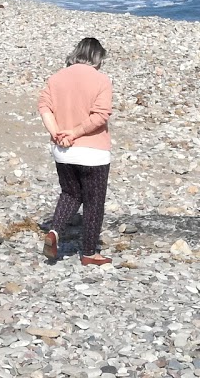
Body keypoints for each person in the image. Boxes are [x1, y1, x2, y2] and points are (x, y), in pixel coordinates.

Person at [37, 36, 114, 265]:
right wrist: (75, 132)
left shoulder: (56, 78)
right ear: (97, 58)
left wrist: (57, 132)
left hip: (63, 149)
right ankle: (89, 252)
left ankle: (55, 232)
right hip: (93, 151)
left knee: (70, 194)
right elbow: (100, 116)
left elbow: (44, 107)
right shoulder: (101, 80)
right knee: (93, 202)